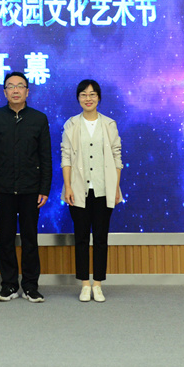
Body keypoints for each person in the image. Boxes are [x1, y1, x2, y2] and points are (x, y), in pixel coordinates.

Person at [0, 71, 52, 303]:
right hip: (2, 189)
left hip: (31, 189)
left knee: (30, 239)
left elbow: (46, 157)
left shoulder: (39, 119)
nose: (15, 90)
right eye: (10, 86)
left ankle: (30, 286)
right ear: (5, 92)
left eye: (20, 86)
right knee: (6, 239)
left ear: (27, 91)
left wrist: (44, 189)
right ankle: (9, 285)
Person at [60, 79, 123, 303]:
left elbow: (117, 157)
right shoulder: (71, 124)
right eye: (84, 95)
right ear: (78, 98)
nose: (88, 98)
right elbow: (66, 157)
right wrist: (68, 187)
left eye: (92, 94)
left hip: (104, 190)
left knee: (100, 238)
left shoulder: (109, 124)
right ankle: (85, 284)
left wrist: (116, 188)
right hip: (78, 190)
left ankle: (98, 284)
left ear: (99, 98)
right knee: (81, 238)